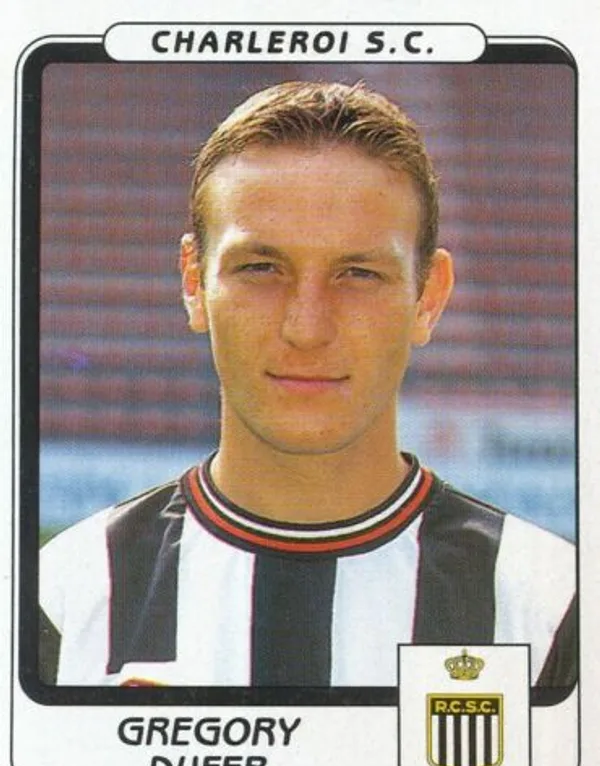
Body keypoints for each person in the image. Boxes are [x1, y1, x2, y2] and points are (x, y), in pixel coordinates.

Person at [39, 81, 576, 689]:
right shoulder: (58, 602)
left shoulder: (557, 611)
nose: (307, 328)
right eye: (261, 268)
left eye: (359, 273)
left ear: (429, 296)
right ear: (194, 282)